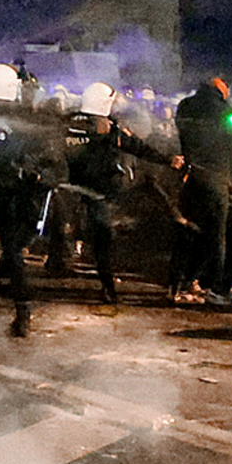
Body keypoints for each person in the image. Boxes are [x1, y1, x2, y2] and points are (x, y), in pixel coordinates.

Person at [48, 82, 178, 303]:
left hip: (66, 187)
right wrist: (168, 160)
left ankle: (50, 262)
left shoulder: (66, 123)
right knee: (103, 239)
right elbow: (137, 147)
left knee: (60, 228)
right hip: (97, 191)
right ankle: (107, 286)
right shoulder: (107, 128)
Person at [0, 64, 66, 336]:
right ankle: (23, 311)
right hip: (12, 190)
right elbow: (47, 158)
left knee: (12, 250)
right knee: (12, 251)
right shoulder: (25, 117)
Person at [170, 78, 232, 304]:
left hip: (191, 176)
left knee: (188, 232)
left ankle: (179, 285)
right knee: (216, 236)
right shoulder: (225, 111)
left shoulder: (185, 105)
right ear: (221, 91)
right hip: (216, 178)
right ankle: (216, 288)